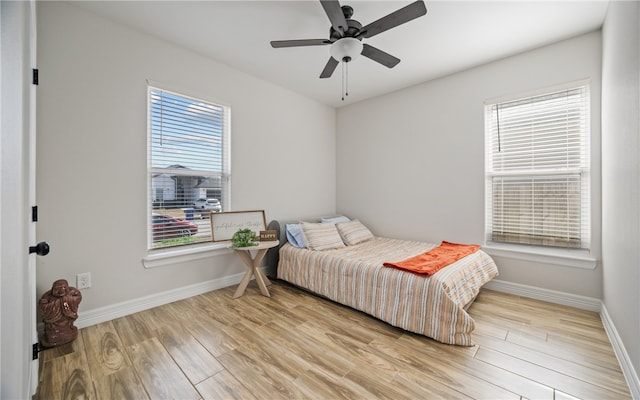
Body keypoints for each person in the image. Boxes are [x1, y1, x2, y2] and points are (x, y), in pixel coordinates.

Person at [39, 279, 82, 347]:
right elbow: (42, 305)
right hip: (54, 322)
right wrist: (57, 303)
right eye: (57, 289)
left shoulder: (72, 292)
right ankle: (53, 337)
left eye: (64, 288)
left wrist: (66, 300)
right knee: (52, 334)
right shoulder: (47, 296)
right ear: (53, 289)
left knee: (68, 327)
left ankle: (69, 331)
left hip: (67, 320)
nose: (61, 291)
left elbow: (78, 296)